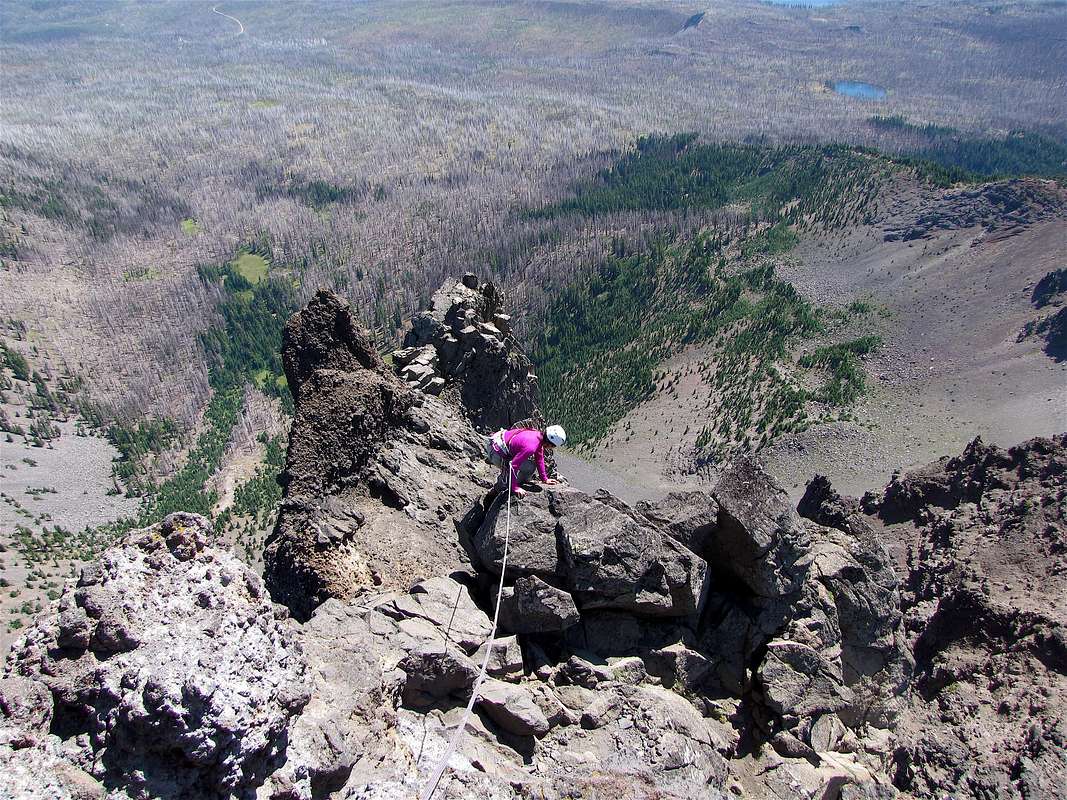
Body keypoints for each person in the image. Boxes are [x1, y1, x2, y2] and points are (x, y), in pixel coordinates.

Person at [486, 424, 566, 497]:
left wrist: (544, 479)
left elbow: (539, 457)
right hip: (496, 452)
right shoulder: (531, 446)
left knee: (529, 467)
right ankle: (495, 492)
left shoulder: (538, 436)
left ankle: (517, 482)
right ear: (550, 444)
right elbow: (513, 465)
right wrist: (514, 488)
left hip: (499, 442)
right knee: (508, 480)